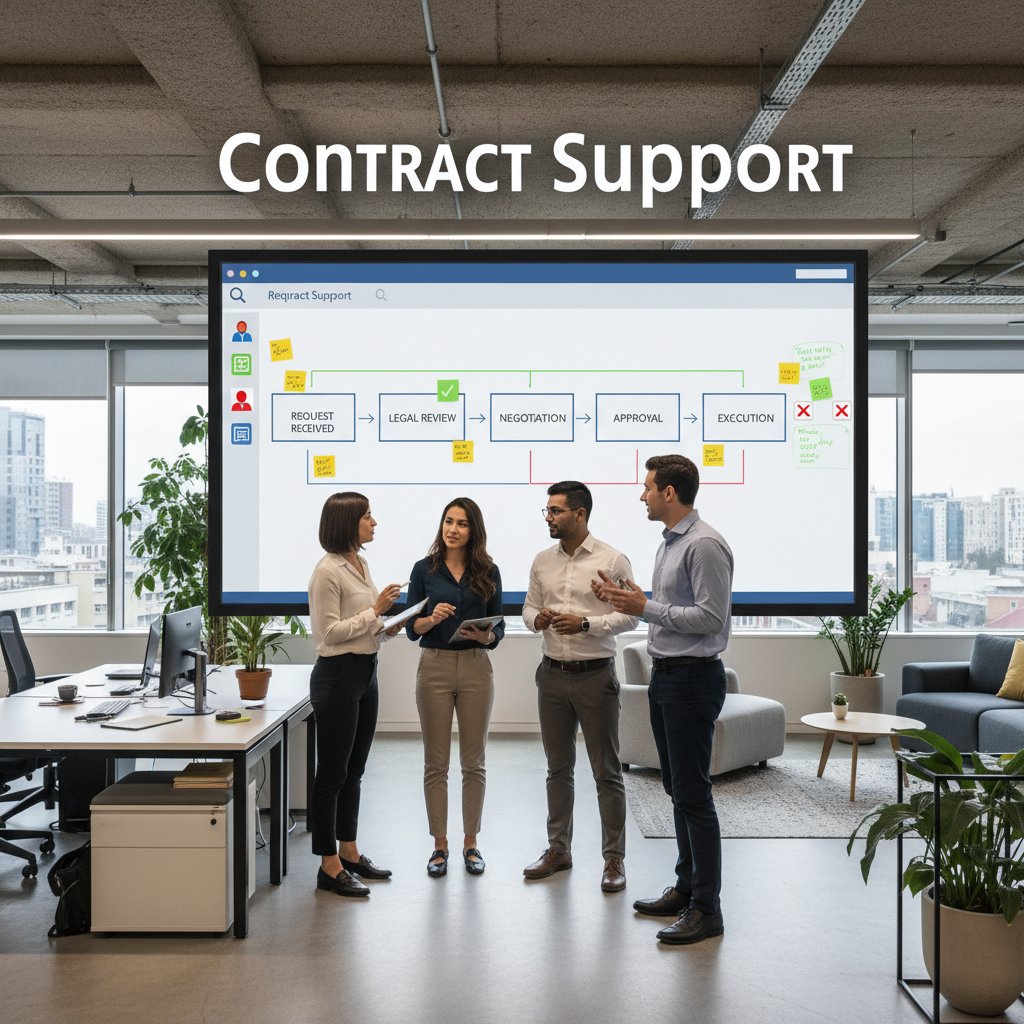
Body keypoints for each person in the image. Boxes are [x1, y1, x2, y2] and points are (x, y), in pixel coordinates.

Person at [597, 454, 733, 945]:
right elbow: (673, 606)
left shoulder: (704, 545)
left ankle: (707, 908)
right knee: (678, 790)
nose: (643, 495)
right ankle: (686, 887)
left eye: (648, 487)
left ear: (669, 493)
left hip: (694, 679)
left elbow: (710, 618)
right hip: (668, 676)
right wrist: (632, 596)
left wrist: (646, 607)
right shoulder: (670, 543)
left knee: (694, 795)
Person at [522, 480, 638, 892]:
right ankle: (558, 850)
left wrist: (586, 623)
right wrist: (534, 618)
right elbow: (529, 607)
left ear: (580, 514)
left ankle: (613, 860)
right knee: (557, 770)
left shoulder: (613, 559)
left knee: (606, 772)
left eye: (555, 511)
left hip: (595, 677)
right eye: (547, 511)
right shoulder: (541, 561)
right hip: (551, 675)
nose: (549, 518)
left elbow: (631, 617)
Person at [308, 491, 403, 897]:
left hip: (366, 673)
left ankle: (349, 850)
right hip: (337, 677)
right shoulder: (327, 572)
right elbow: (328, 634)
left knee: (355, 771)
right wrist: (376, 611)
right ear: (349, 522)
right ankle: (327, 865)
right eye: (367, 516)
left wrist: (390, 625)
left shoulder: (359, 563)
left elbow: (363, 625)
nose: (374, 522)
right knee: (332, 774)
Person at [406, 497, 504, 877]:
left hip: (477, 668)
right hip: (434, 667)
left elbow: (499, 629)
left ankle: (471, 843)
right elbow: (413, 628)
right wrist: (431, 619)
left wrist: (487, 636)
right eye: (448, 521)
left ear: (472, 530)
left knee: (473, 762)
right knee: (436, 762)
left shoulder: (489, 570)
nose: (453, 529)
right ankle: (439, 846)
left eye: (461, 523)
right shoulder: (423, 570)